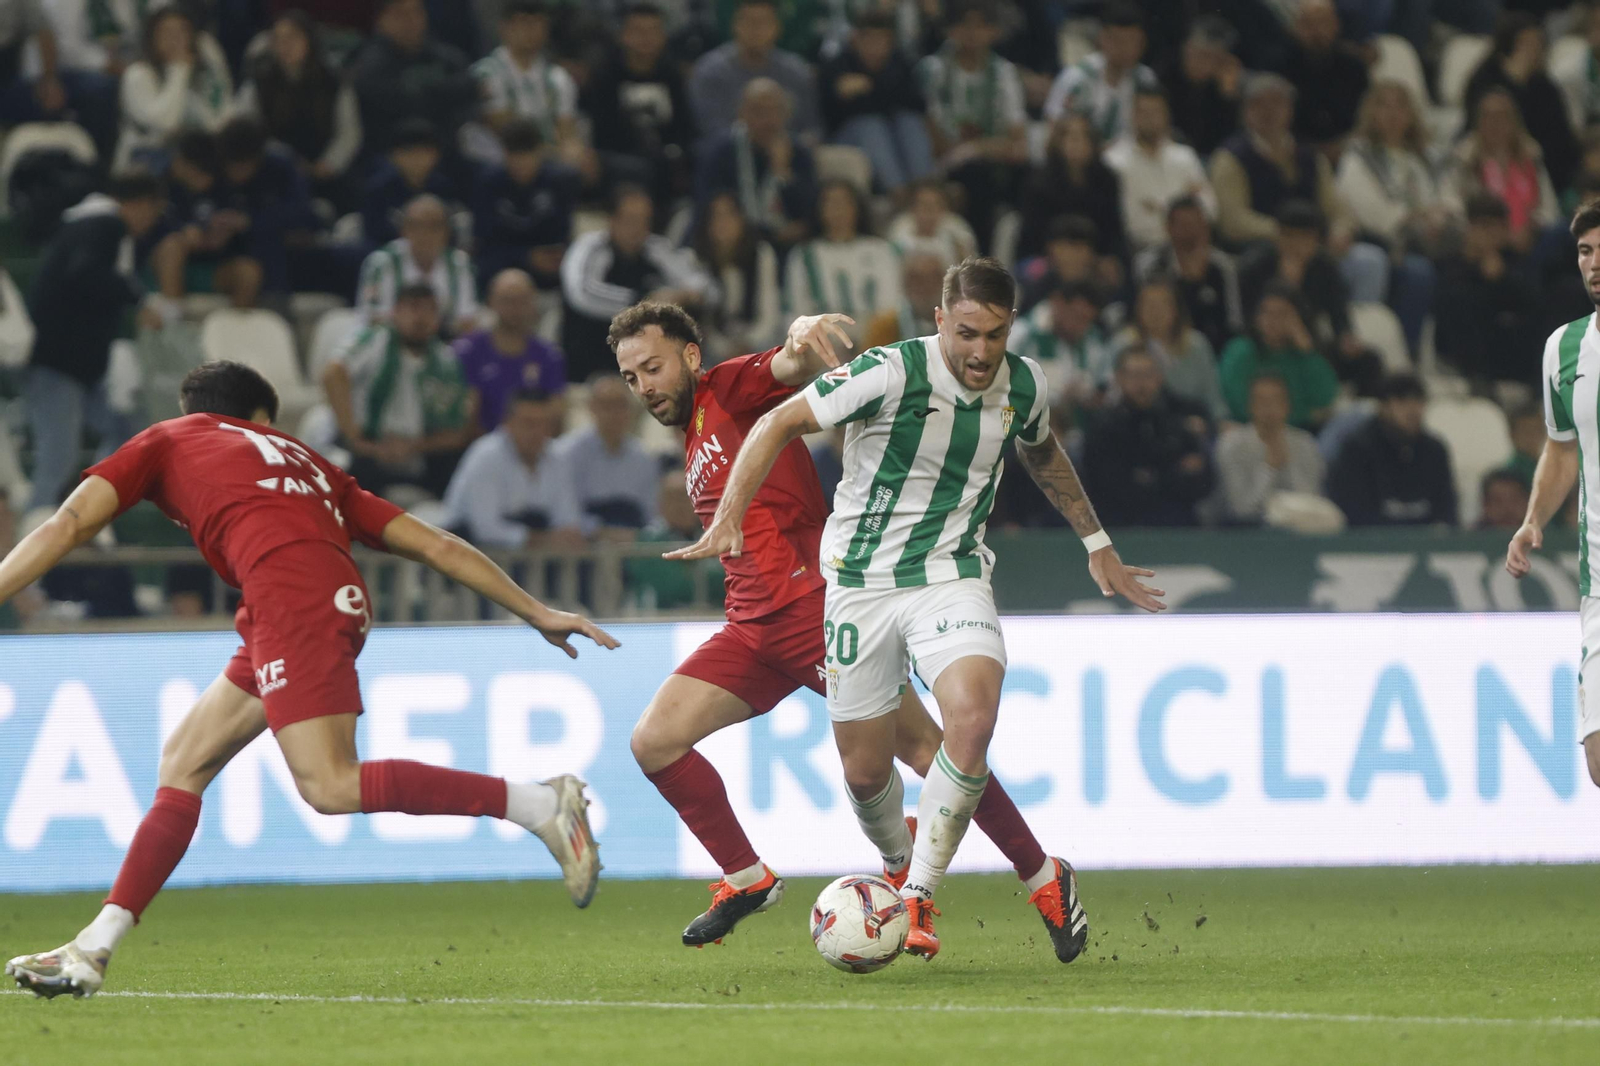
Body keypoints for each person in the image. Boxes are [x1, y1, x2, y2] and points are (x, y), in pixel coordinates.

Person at [2, 361, 615, 999]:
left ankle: (539, 804)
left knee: (329, 784)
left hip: (290, 598)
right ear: (261, 420)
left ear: (196, 411)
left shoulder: (170, 437)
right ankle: (93, 947)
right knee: (183, 763)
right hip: (309, 599)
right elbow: (434, 543)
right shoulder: (309, 462)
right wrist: (535, 610)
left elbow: (69, 523)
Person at [664, 258, 1165, 958]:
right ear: (939, 321)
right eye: (967, 333)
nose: (981, 352)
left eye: (995, 335)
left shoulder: (1025, 383)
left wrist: (1096, 540)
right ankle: (922, 866)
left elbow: (1041, 447)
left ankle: (919, 894)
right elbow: (778, 419)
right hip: (858, 585)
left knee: (971, 717)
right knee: (867, 774)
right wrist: (728, 518)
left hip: (950, 574)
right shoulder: (888, 371)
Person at [1507, 198, 1600, 790]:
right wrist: (1533, 518)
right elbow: (1562, 449)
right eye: (1586, 252)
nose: (1595, 263)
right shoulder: (1563, 348)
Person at [25, 173, 163, 514]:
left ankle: (88, 513)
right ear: (140, 204)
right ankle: (32, 535)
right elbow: (85, 273)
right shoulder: (104, 225)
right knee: (58, 458)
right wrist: (136, 298)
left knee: (126, 433)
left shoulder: (84, 226)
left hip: (84, 365)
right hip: (59, 362)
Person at [1209, 73, 1386, 304]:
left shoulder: (1310, 156)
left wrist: (1341, 229)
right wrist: (1290, 236)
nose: (1268, 111)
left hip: (1316, 247)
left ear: (1290, 109)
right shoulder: (1231, 158)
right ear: (1245, 111)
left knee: (1370, 261)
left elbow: (1337, 207)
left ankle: (1350, 323)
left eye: (1277, 103)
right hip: (1263, 248)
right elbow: (1233, 220)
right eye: (1259, 104)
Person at [324, 283, 477, 498]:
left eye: (430, 310)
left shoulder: (446, 361)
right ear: (396, 312)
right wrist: (356, 438)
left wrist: (413, 446)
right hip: (367, 446)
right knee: (354, 474)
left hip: (420, 450)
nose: (421, 318)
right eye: (413, 308)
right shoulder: (374, 340)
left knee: (458, 462)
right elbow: (333, 374)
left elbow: (457, 433)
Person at [560, 184, 713, 380]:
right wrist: (645, 301)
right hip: (593, 365)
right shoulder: (590, 248)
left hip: (649, 369)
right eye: (631, 219)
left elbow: (704, 286)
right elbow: (583, 292)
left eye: (645, 220)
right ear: (612, 220)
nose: (639, 228)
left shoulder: (656, 248)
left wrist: (687, 295)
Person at [1237, 200, 1382, 397]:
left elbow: (1338, 312)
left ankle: (1363, 407)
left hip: (1308, 341)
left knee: (1368, 360)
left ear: (1316, 240)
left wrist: (1345, 336)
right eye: (1290, 236)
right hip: (1263, 344)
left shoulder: (1325, 267)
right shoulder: (1256, 267)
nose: (1297, 245)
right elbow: (1245, 316)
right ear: (1278, 236)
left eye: (1305, 238)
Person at [918, 0, 1029, 252]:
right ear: (950, 30)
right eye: (964, 25)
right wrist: (965, 151)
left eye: (980, 26)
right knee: (975, 176)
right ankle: (979, 257)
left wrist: (975, 148)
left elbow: (1017, 142)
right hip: (941, 161)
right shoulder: (932, 71)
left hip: (991, 162)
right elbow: (931, 133)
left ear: (993, 31)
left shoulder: (1004, 73)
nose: (972, 33)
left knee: (1027, 176)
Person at [234, 11, 362, 201]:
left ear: (309, 41)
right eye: (279, 39)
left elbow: (349, 132)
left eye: (292, 38)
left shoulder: (333, 82)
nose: (285, 45)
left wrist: (328, 164)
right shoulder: (260, 81)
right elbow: (244, 125)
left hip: (324, 169)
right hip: (274, 170)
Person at [1081, 345, 1215, 527]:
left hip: (1178, 521)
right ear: (1119, 378)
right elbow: (1107, 484)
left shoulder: (1184, 417)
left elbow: (1202, 479)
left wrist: (1148, 477)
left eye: (1148, 374)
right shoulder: (1103, 425)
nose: (1141, 383)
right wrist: (1172, 472)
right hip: (1121, 523)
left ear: (1160, 377)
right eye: (1134, 375)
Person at [443, 387, 583, 548]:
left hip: (531, 553)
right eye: (529, 423)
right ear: (508, 423)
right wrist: (543, 539)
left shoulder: (558, 457)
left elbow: (569, 520)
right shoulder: (486, 456)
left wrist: (564, 536)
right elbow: (484, 528)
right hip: (470, 548)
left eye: (544, 424)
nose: (537, 432)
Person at [585, 1, 693, 210]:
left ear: (663, 37)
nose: (646, 38)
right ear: (623, 35)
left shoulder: (673, 76)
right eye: (638, 31)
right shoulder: (605, 75)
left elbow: (684, 125)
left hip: (666, 156)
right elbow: (602, 132)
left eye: (653, 31)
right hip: (620, 157)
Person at [695, 78, 819, 250]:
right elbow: (708, 206)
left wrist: (783, 173)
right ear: (742, 114)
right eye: (758, 111)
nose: (767, 120)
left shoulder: (799, 153)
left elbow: (810, 214)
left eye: (775, 111)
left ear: (786, 114)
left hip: (789, 247)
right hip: (735, 244)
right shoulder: (721, 152)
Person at [819, 9, 931, 197]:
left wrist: (869, 86)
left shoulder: (900, 62)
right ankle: (898, 194)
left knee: (909, 122)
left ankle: (925, 190)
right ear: (855, 40)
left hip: (893, 136)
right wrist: (883, 91)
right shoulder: (837, 65)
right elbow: (834, 113)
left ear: (891, 42)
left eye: (881, 41)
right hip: (848, 138)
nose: (875, 47)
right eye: (869, 40)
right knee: (870, 126)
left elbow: (917, 104)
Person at [1463, 11, 1578, 193]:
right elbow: (1480, 126)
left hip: (1547, 169)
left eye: (1538, 44)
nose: (1534, 51)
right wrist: (1514, 83)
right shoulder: (1484, 79)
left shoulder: (1545, 86)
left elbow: (1562, 136)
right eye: (1527, 44)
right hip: (1494, 165)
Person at [1433, 194, 1540, 389]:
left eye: (1498, 227)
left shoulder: (1515, 261)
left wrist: (1501, 279)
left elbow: (1531, 300)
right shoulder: (1449, 263)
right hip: (1463, 349)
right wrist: (1474, 266)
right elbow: (1445, 297)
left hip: (1507, 349)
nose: (1491, 234)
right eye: (1484, 226)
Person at [473, 0, 590, 176]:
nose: (530, 30)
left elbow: (566, 130)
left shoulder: (558, 78)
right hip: (505, 158)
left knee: (579, 161)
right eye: (523, 23)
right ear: (504, 27)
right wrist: (547, 153)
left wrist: (569, 152)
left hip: (551, 161)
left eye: (537, 23)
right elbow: (502, 127)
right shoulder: (487, 73)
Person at [348, 0, 478, 157]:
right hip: (392, 153)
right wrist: (448, 92)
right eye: (400, 14)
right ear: (381, 20)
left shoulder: (446, 56)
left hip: (450, 147)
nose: (411, 20)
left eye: (417, 12)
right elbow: (398, 105)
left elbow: (471, 88)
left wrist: (428, 94)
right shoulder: (368, 65)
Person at [1327, 372, 1457, 527]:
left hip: (1425, 539)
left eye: (1419, 401)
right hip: (1373, 538)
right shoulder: (1357, 449)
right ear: (1383, 407)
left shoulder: (1435, 450)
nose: (1413, 409)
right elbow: (1353, 510)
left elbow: (1447, 508)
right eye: (1402, 401)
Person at [1445, 88, 1560, 258]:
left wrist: (1532, 227)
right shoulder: (1465, 159)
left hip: (1530, 238)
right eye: (1488, 117)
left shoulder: (1530, 157)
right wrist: (1485, 232)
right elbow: (1450, 203)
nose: (1495, 123)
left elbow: (1550, 208)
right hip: (1480, 241)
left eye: (1502, 116)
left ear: (1514, 121)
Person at [116, 6, 231, 170]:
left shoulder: (202, 64)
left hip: (199, 150)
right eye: (167, 32)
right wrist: (178, 69)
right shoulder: (137, 74)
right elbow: (166, 123)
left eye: (182, 31)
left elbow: (222, 106)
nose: (175, 39)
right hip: (148, 157)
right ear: (152, 38)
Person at [472, 118, 580, 292]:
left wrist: (552, 255)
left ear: (540, 152)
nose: (521, 164)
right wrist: (525, 256)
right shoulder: (488, 183)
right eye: (515, 157)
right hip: (502, 261)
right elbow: (484, 238)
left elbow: (563, 232)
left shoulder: (559, 182)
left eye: (527, 156)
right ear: (505, 154)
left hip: (547, 262)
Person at [689, 0, 819, 145]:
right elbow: (710, 129)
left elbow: (812, 128)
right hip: (731, 151)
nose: (756, 30)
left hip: (788, 150)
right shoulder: (711, 71)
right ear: (735, 25)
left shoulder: (796, 71)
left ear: (777, 27)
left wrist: (793, 146)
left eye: (763, 22)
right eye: (749, 22)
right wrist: (759, 144)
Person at [454, 269, 568, 433]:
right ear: (490, 302)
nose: (515, 308)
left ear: (533, 303)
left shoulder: (549, 356)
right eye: (507, 300)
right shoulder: (466, 351)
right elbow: (462, 418)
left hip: (532, 442)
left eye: (522, 300)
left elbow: (556, 419)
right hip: (479, 442)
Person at [1104, 87, 1216, 254]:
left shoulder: (1185, 156)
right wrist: (1180, 208)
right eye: (1144, 112)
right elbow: (1131, 220)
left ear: (1167, 115)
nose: (1150, 119)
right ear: (1132, 115)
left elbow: (1210, 208)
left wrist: (1158, 208)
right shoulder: (1114, 162)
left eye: (1156, 112)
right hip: (1140, 249)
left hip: (1191, 247)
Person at [1218, 284, 1339, 430]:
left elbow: (1325, 398)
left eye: (1282, 314)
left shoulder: (1305, 356)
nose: (1272, 320)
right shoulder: (1241, 351)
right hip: (1248, 430)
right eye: (1266, 312)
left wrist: (1307, 353)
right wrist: (1301, 415)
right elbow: (1237, 403)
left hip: (1301, 431)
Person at [357, 195, 479, 336]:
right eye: (417, 225)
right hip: (389, 342)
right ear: (404, 230)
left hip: (445, 343)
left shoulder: (460, 263)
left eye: (434, 226)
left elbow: (467, 321)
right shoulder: (381, 263)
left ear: (447, 231)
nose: (425, 233)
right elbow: (373, 318)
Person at [1133, 197, 1243, 354]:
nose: (1190, 230)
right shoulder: (1149, 264)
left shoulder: (1223, 266)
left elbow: (1234, 321)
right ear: (1168, 227)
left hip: (1216, 349)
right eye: (1183, 224)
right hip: (1160, 348)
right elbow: (1140, 314)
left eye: (1195, 223)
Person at [1017, 113, 1126, 270]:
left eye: (1082, 136)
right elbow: (1032, 234)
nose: (1075, 143)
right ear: (1057, 142)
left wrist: (1104, 258)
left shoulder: (1107, 181)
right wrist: (1064, 256)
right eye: (1069, 136)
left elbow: (1114, 230)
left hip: (1095, 258)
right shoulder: (1038, 183)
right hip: (1044, 256)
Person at [1214, 373, 1325, 524]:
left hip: (1300, 527)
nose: (1269, 408)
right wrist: (1269, 469)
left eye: (1275, 401)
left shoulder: (1305, 444)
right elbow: (1241, 509)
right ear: (1250, 406)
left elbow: (1313, 501)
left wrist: (1287, 463)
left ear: (1287, 405)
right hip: (1245, 530)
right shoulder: (1232, 445)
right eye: (1262, 401)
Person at [784, 180, 901, 324]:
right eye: (831, 203)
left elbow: (890, 303)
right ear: (819, 210)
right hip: (822, 333)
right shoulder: (804, 255)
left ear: (857, 208)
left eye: (844, 203)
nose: (838, 210)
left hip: (872, 331)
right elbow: (797, 311)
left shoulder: (880, 250)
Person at [1113, 274, 1226, 422]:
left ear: (1176, 309)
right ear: (1138, 310)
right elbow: (1112, 396)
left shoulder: (1197, 344)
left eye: (1163, 305)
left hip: (1192, 421)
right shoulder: (1122, 344)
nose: (1156, 312)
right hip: (1134, 423)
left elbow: (1213, 397)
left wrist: (1217, 422)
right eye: (1149, 305)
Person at [558, 374, 662, 535]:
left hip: (634, 541)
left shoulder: (643, 458)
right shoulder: (568, 454)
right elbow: (565, 513)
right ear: (591, 408)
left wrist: (641, 535)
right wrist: (600, 532)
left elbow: (652, 514)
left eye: (621, 405)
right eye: (607, 405)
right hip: (587, 542)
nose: (614, 413)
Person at [1043, 0, 1159, 143]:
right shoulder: (1076, 79)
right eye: (1120, 41)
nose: (1127, 49)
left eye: (1133, 41)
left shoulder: (1145, 80)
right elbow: (1053, 127)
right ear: (1103, 38)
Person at [694, 191, 784, 358]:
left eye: (730, 214)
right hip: (717, 351)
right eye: (717, 216)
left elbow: (769, 310)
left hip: (758, 344)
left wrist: (750, 342)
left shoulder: (761, 254)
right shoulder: (699, 261)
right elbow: (706, 322)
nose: (723, 223)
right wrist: (725, 350)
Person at [1282, 0, 1367, 154]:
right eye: (1308, 24)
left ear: (1336, 25)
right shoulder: (1280, 67)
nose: (1317, 31)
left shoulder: (1354, 67)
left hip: (1348, 149)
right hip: (1294, 152)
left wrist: (1342, 146)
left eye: (1323, 23)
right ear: (1295, 28)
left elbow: (1365, 114)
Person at [360, 120, 461, 249]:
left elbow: (451, 231)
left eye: (423, 152)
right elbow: (372, 233)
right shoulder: (378, 189)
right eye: (408, 152)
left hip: (435, 253)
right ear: (393, 156)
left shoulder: (444, 188)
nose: (416, 159)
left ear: (436, 155)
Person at [1161, 15, 1241, 160]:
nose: (1204, 63)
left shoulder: (1221, 87)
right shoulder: (1163, 76)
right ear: (1186, 48)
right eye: (1200, 54)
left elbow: (1229, 139)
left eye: (1213, 58)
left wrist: (1228, 96)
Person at [886, 179, 978, 266]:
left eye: (935, 204)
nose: (929, 210)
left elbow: (971, 269)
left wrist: (961, 254)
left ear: (945, 207)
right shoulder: (899, 228)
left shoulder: (957, 228)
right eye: (923, 204)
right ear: (912, 208)